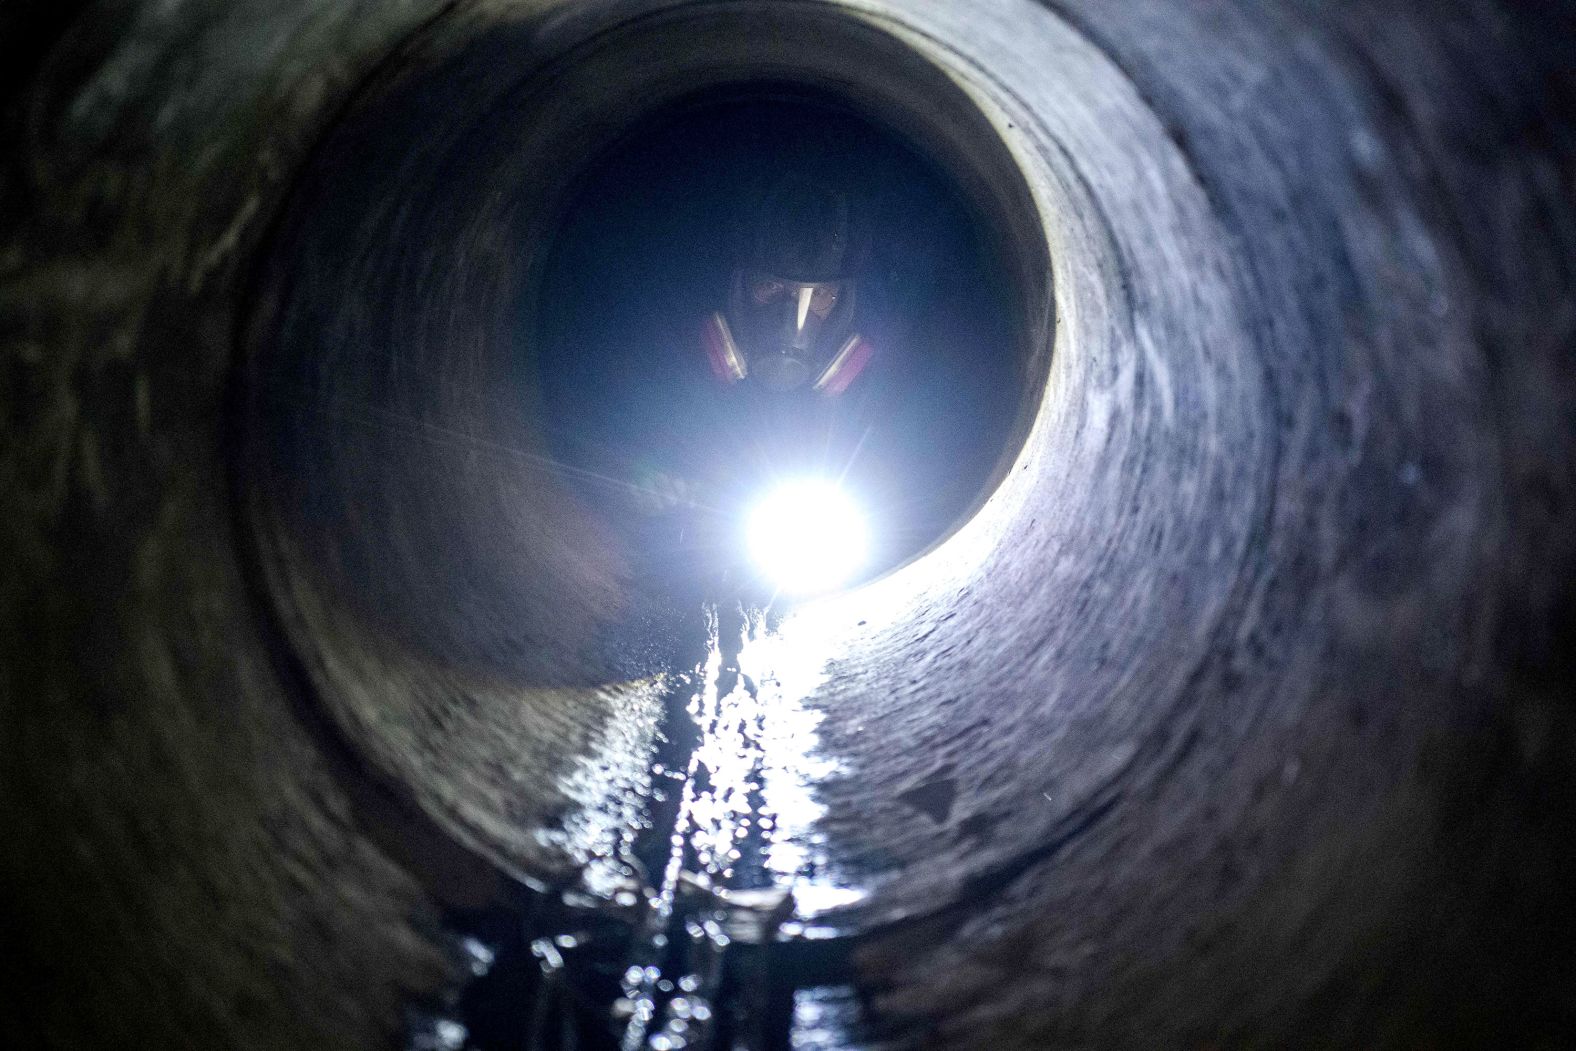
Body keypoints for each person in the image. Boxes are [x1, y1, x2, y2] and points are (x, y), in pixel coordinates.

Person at [701, 174, 875, 397]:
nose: (788, 317)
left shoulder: (873, 394)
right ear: (740, 291)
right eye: (771, 286)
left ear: (843, 305)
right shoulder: (683, 371)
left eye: (818, 294)